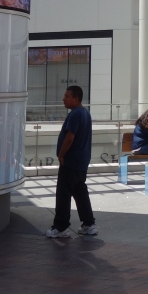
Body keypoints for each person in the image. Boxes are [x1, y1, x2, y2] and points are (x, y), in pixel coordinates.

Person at [46, 86, 96, 240]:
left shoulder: (75, 114)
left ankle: (60, 227)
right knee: (80, 192)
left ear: (76, 98)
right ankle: (89, 224)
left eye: (67, 96)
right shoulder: (85, 113)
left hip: (71, 161)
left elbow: (69, 138)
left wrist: (61, 155)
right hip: (81, 162)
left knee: (63, 194)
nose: (64, 99)